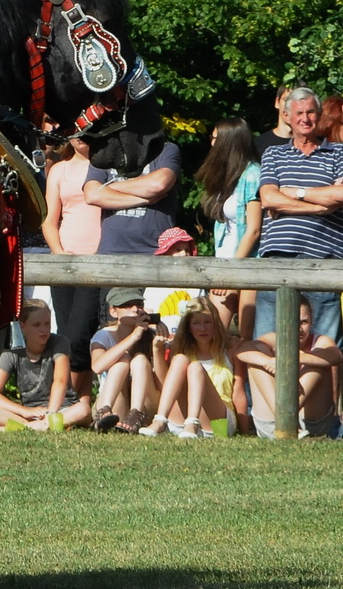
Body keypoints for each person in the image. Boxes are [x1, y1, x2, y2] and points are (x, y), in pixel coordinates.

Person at [254, 88, 343, 341]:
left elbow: (341, 195)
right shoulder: (274, 153)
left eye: (310, 112)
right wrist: (319, 206)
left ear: (319, 114)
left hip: (324, 259)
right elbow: (269, 197)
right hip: (277, 258)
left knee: (324, 348)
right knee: (268, 342)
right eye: (299, 113)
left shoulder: (339, 152)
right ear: (287, 116)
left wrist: (295, 192)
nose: (305, 118)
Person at [83, 134, 181, 326]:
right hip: (112, 258)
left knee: (155, 329)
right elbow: (92, 195)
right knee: (113, 328)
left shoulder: (166, 149)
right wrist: (143, 199)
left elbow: (158, 184)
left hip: (155, 257)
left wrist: (110, 187)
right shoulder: (104, 153)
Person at [40, 135, 103, 398]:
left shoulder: (108, 168)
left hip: (98, 262)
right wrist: (61, 254)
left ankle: (67, 401)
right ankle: (82, 403)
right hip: (64, 262)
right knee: (67, 338)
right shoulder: (59, 169)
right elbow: (48, 221)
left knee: (78, 337)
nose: (83, 139)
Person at [0, 299, 90, 430]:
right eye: (37, 325)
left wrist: (51, 413)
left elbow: (60, 381)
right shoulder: (12, 353)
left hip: (61, 409)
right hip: (29, 414)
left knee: (83, 409)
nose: (44, 330)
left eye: (47, 324)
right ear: (22, 326)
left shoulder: (60, 343)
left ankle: (13, 429)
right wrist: (24, 411)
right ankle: (36, 427)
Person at [237, 297, 343, 440]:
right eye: (293, 321)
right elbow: (242, 351)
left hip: (311, 424)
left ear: (311, 321)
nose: (298, 329)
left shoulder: (321, 341)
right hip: (272, 423)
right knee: (257, 361)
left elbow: (336, 356)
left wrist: (293, 359)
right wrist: (269, 361)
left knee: (319, 362)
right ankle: (285, 418)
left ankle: (287, 417)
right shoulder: (272, 339)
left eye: (304, 322)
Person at [196, 117, 262, 335]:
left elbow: (253, 230)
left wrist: (231, 272)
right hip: (224, 263)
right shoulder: (225, 177)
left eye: (215, 139)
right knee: (214, 338)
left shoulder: (253, 174)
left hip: (246, 267)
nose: (212, 144)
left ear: (228, 142)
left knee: (245, 339)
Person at [139, 297, 241, 439]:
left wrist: (245, 429)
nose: (202, 328)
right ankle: (160, 420)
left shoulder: (229, 348)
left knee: (195, 368)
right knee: (181, 359)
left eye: (207, 322)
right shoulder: (181, 349)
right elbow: (164, 384)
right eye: (196, 323)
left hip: (218, 424)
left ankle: (192, 423)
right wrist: (157, 351)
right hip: (181, 421)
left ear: (216, 324)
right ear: (188, 327)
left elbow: (238, 392)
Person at [89, 287, 168, 433]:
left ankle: (135, 415)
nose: (135, 309)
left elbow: (164, 386)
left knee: (139, 360)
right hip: (115, 405)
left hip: (146, 406)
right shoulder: (104, 335)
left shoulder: (151, 335)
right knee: (122, 359)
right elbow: (97, 367)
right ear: (113, 311)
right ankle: (103, 413)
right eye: (127, 305)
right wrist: (133, 337)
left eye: (139, 304)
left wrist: (157, 349)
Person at [254, 86, 293, 160]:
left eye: (296, 101)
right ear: (277, 102)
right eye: (286, 100)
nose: (290, 106)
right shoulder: (257, 146)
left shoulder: (315, 147)